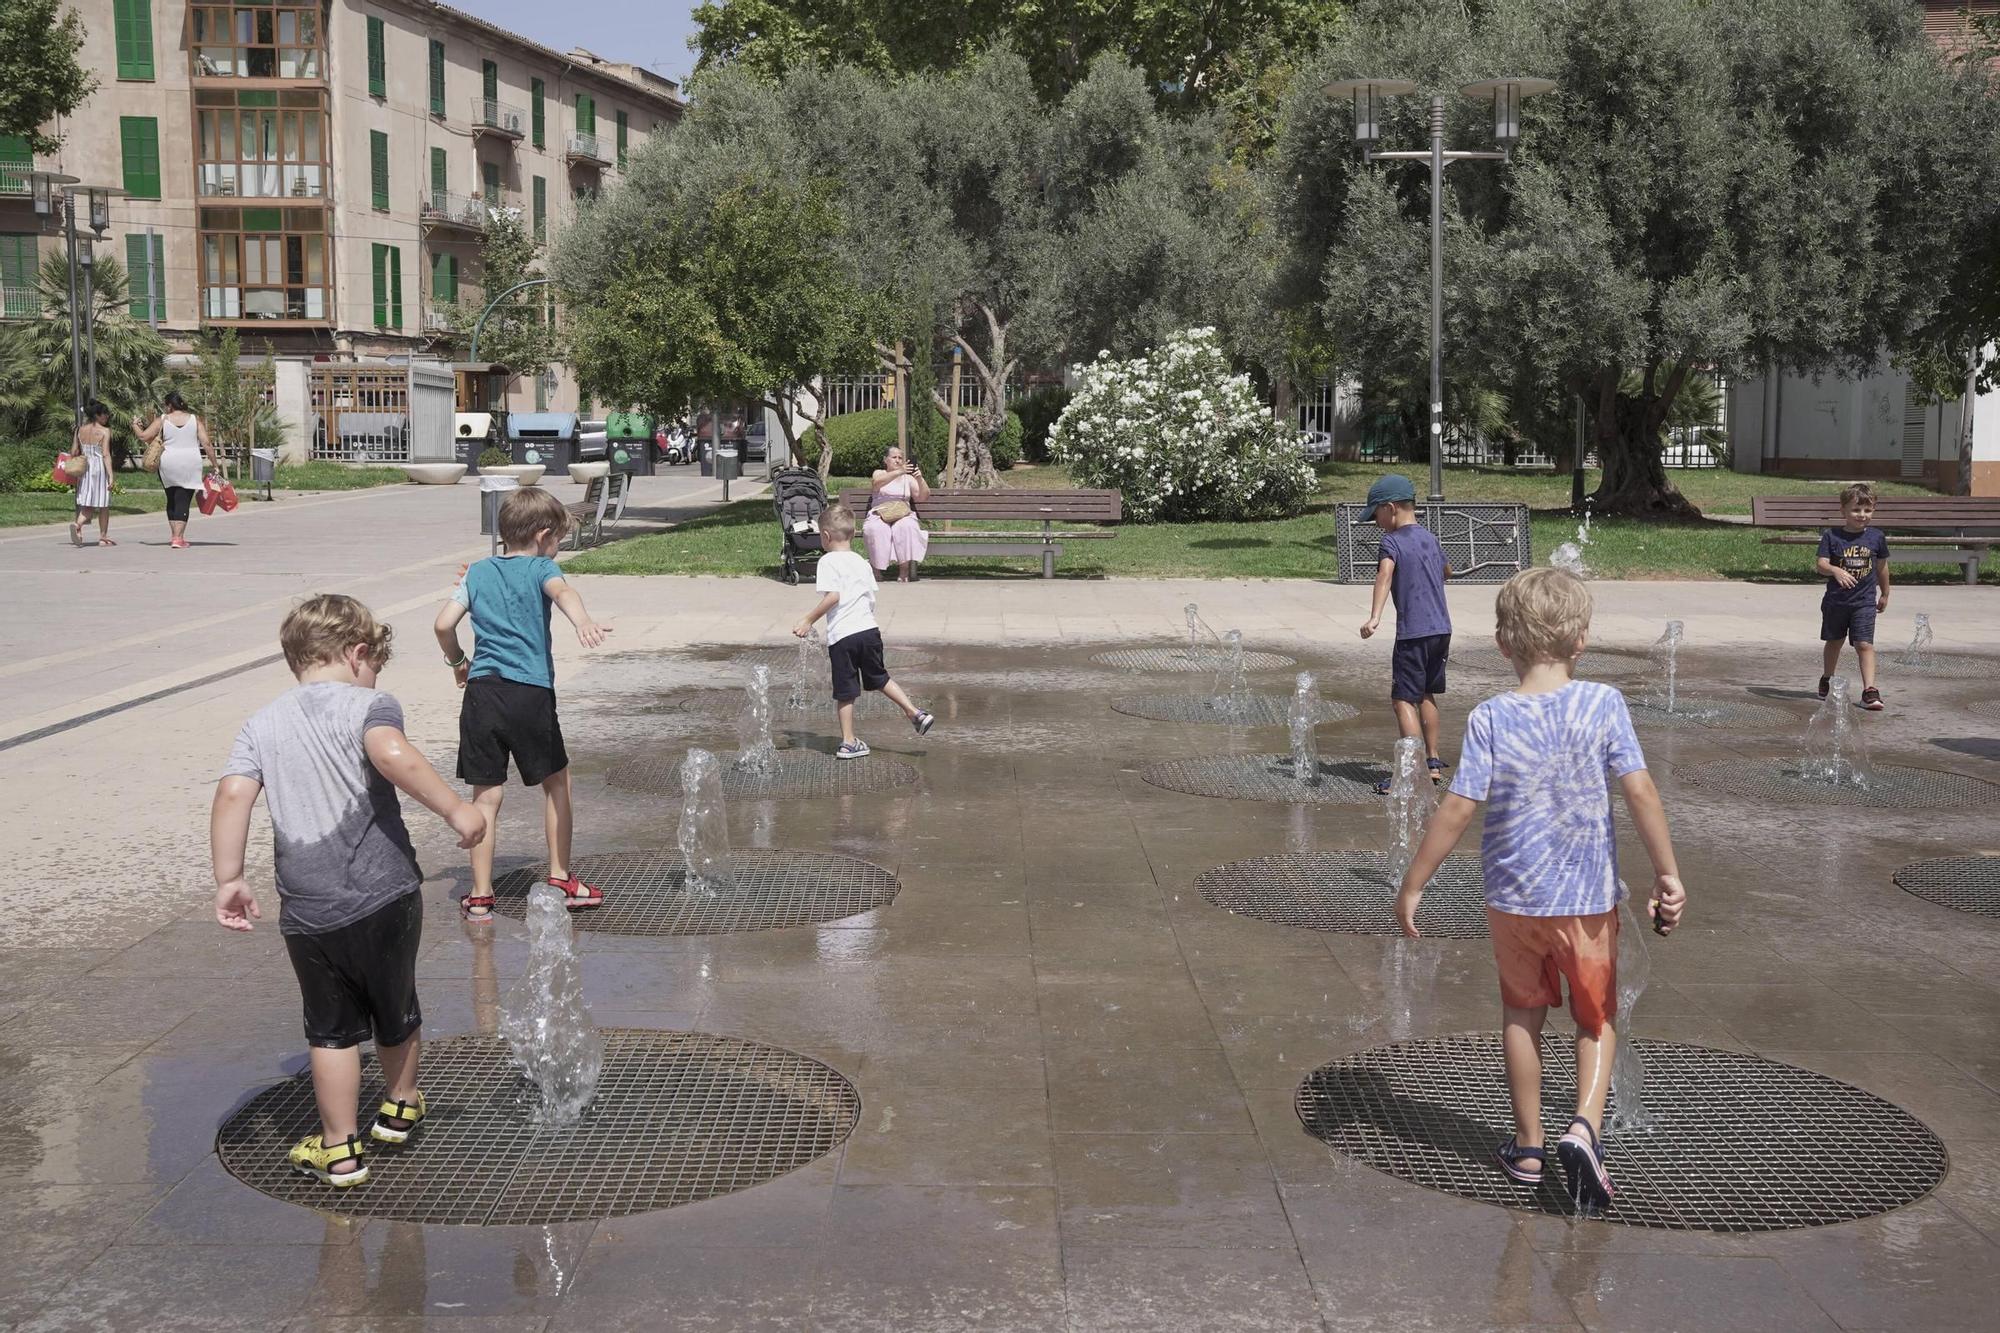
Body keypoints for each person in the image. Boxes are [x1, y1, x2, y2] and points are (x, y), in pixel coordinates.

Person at [1395, 568, 1686, 1210]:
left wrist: (1415, 883)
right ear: (1581, 640)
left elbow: (1457, 808)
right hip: (1584, 903)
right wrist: (1667, 871)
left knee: (1522, 1017)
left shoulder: (1493, 715)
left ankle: (1527, 1149)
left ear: (1504, 644)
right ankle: (1583, 1129)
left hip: (1511, 901)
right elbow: (1639, 790)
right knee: (1596, 1016)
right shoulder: (1603, 703)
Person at [211, 594, 486, 1187]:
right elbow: (391, 754)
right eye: (374, 666)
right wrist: (455, 810)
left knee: (330, 1028)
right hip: (386, 892)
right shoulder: (371, 704)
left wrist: (230, 879)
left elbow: (233, 794)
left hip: (310, 909)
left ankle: (339, 1150)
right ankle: (402, 1103)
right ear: (359, 653)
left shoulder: (261, 723)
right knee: (396, 1002)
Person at [435, 486, 611, 921]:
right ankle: (561, 877)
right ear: (542, 535)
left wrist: (459, 661)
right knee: (557, 782)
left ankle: (479, 895)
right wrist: (582, 620)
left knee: (486, 795)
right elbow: (563, 593)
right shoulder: (541, 568)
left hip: (482, 694)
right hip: (529, 693)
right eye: (558, 541)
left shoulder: (475, 572)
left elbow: (442, 624)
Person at [794, 505, 935, 758]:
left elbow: (833, 596)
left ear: (825, 536)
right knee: (880, 678)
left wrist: (808, 619)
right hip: (869, 631)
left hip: (843, 637)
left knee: (846, 691)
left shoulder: (827, 561)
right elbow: (871, 599)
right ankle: (914, 712)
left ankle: (848, 742)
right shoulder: (862, 562)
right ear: (853, 533)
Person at [1358, 473, 1452, 791]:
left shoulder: (1392, 541)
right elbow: (1446, 570)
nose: (1376, 522)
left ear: (1391, 508)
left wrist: (1374, 617)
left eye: (1376, 515)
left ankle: (1411, 774)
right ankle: (1433, 761)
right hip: (1441, 629)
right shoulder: (1430, 538)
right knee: (1426, 693)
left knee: (1402, 699)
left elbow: (1385, 575)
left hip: (1413, 633)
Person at [1815, 482, 1891, 711]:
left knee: (1864, 644)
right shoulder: (1832, 536)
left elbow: (1882, 568)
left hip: (1864, 602)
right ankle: (1827, 678)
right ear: (1843, 511)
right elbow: (1821, 564)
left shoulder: (1876, 537)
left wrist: (1885, 593)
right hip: (1836, 602)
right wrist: (1835, 570)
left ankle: (1869, 690)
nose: (1862, 515)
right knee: (1835, 641)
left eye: (1868, 510)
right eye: (1856, 510)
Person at [132, 390, 220, 550]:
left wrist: (135, 426)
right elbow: (207, 444)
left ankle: (175, 536)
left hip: (168, 463)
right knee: (183, 500)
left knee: (172, 498)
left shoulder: (163, 420)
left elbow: (144, 437)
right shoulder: (195, 420)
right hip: (190, 463)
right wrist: (215, 465)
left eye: (166, 405)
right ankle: (178, 538)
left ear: (169, 405)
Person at [865, 445, 930, 582]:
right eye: (894, 457)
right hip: (880, 512)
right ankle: (876, 570)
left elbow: (922, 497)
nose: (898, 460)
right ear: (885, 460)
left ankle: (904, 571)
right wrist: (899, 471)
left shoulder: (908, 478)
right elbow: (876, 483)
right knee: (875, 529)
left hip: (903, 513)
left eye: (900, 458)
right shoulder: (879, 473)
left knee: (906, 527)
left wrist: (919, 479)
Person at [69, 401, 116, 548]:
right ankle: (102, 537)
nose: (107, 416)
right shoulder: (105, 431)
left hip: (85, 469)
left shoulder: (80, 430)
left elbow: (74, 452)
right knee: (103, 504)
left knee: (88, 504)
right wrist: (111, 475)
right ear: (97, 415)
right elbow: (106, 454)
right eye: (104, 413)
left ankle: (78, 524)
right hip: (99, 468)